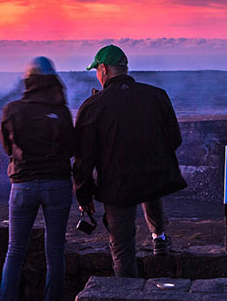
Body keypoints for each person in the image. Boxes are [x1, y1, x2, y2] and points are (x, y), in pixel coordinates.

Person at [73, 45, 186, 278]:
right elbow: (174, 138)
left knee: (123, 249)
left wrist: (84, 197)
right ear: (124, 68)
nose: (97, 74)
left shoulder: (93, 106)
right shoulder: (156, 96)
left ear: (103, 69)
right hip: (152, 177)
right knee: (149, 191)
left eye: (97, 70)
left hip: (117, 186)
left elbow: (84, 158)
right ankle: (159, 238)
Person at [0, 57, 75, 301]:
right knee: (55, 251)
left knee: (15, 250)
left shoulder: (12, 109)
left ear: (27, 80)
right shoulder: (60, 111)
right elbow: (71, 147)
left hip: (23, 186)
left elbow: (7, 149)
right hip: (57, 186)